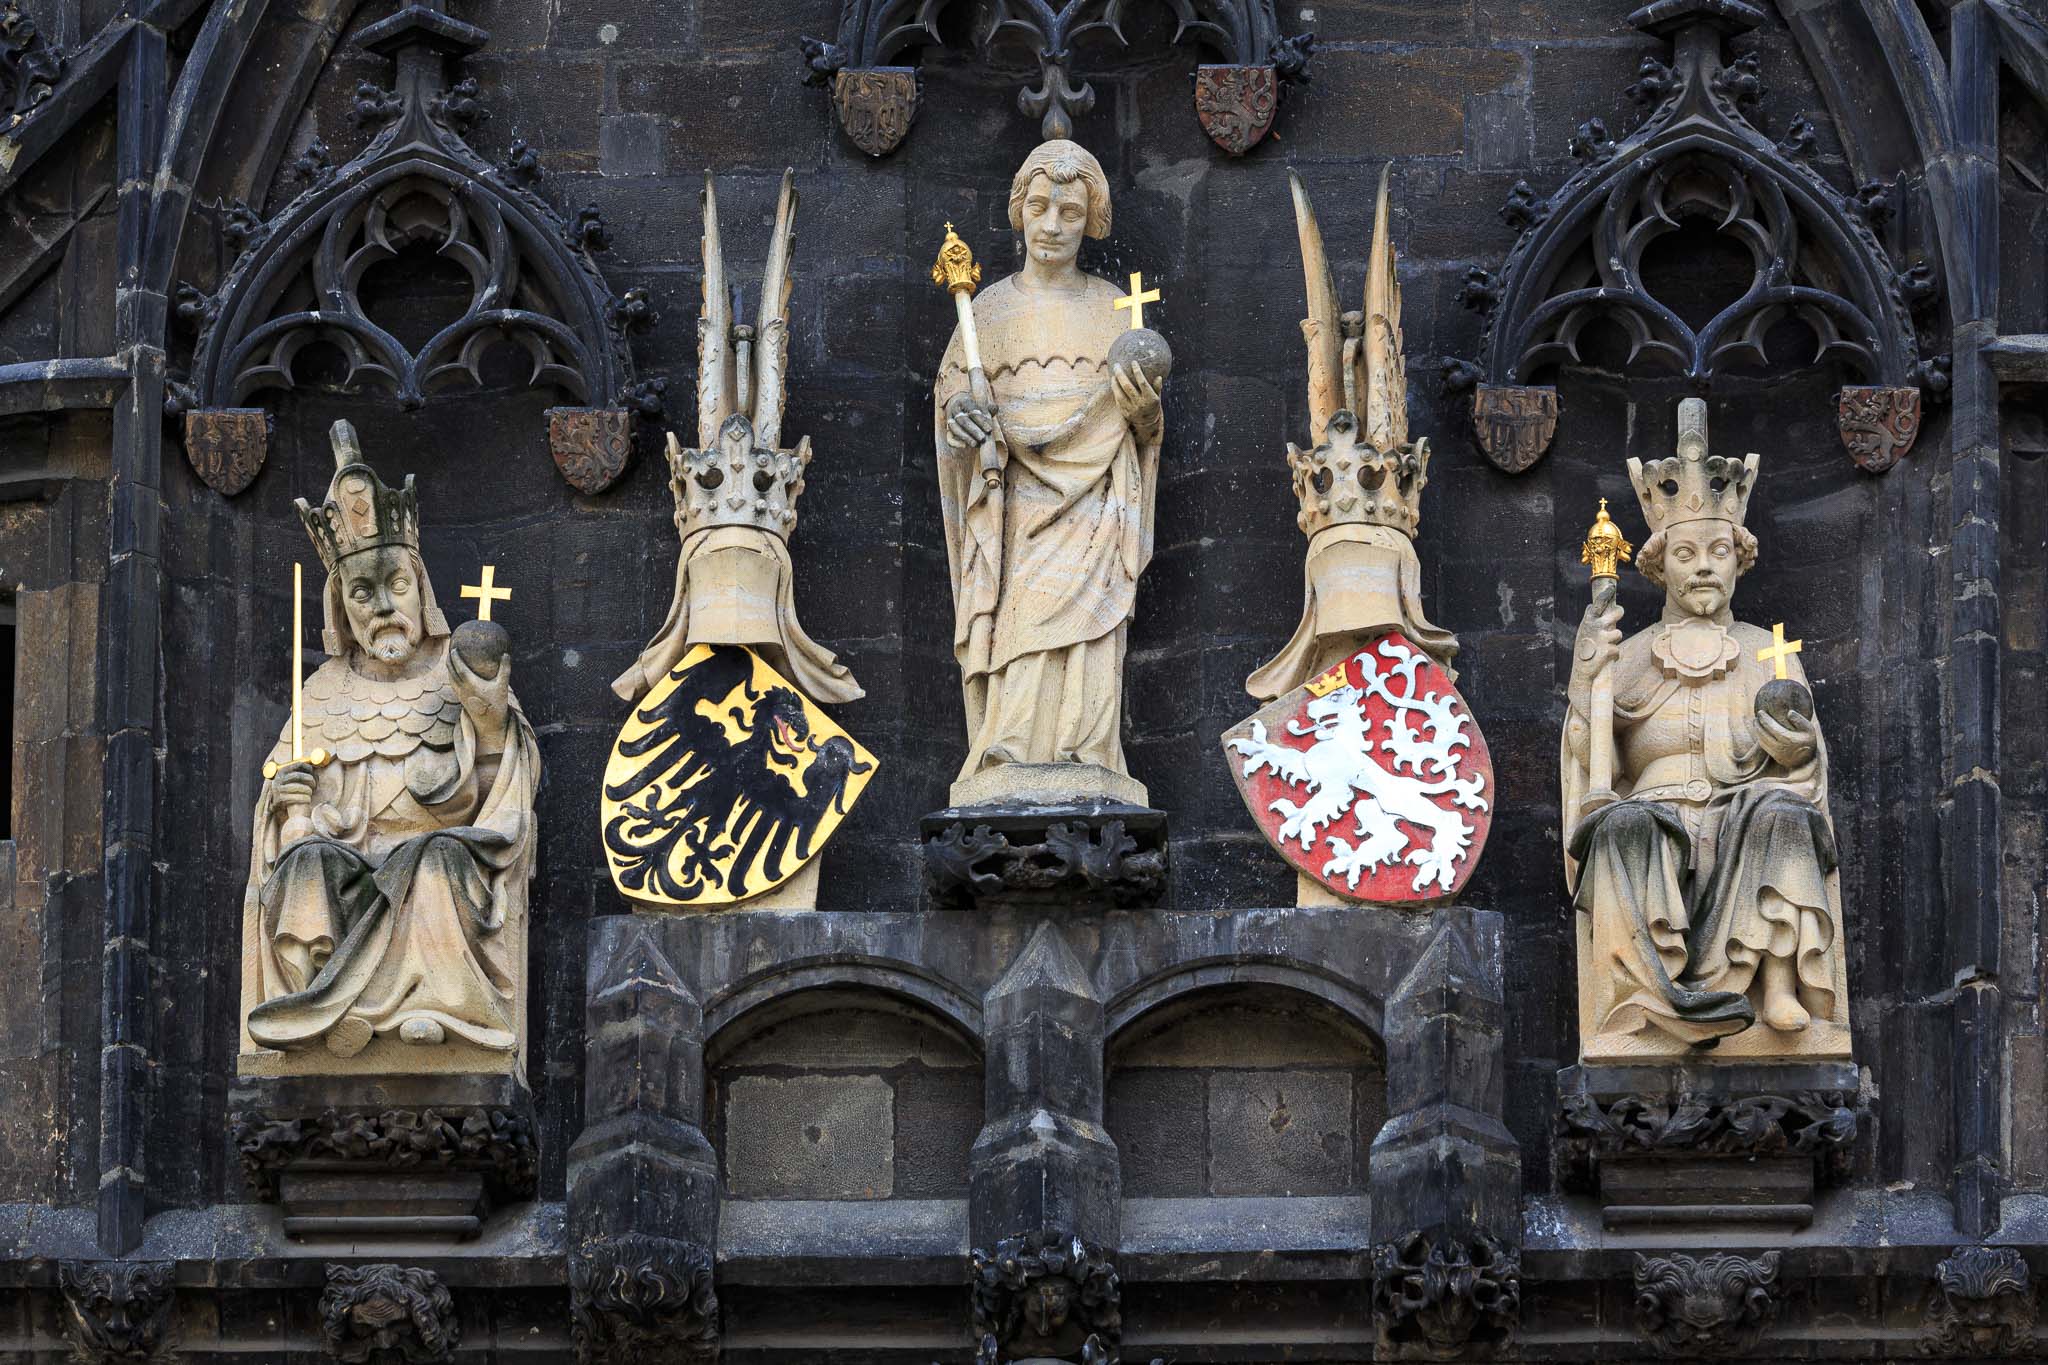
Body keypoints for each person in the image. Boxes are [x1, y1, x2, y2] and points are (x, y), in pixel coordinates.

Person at [240, 422, 540, 1064]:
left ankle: (435, 1005)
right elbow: (287, 812)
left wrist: (488, 721)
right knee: (304, 869)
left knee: (430, 861)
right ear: (339, 605)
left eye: (396, 587)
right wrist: (284, 798)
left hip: (437, 857)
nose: (381, 607)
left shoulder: (453, 673)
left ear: (421, 590)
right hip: (349, 861)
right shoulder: (319, 691)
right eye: (361, 592)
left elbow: (503, 791)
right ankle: (322, 1006)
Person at [934, 140, 1163, 789]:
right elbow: (953, 401)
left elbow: (1141, 430)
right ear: (1020, 212)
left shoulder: (1117, 307)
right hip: (1020, 500)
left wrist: (1144, 416)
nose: (1054, 223)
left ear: (1091, 218)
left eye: (1070, 209)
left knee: (1092, 630)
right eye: (1041, 206)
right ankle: (1009, 743)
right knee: (1022, 615)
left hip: (1097, 500)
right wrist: (961, 418)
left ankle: (1085, 749)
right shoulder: (987, 312)